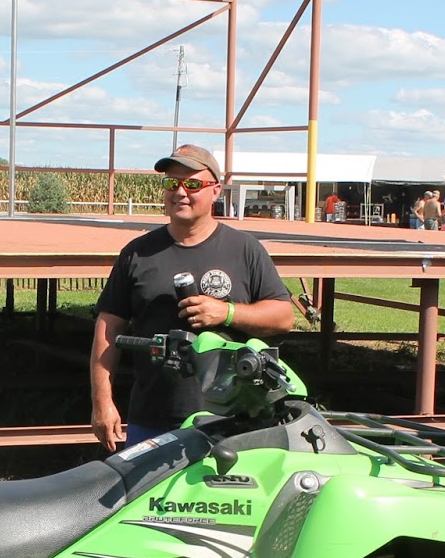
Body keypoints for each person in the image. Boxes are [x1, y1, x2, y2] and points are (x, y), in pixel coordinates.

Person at [91, 144, 295, 448]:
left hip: (234, 422)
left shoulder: (244, 250)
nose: (180, 192)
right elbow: (108, 330)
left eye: (193, 184)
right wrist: (102, 402)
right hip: (152, 422)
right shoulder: (137, 253)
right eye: (172, 183)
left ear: (216, 190)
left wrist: (226, 313)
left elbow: (284, 317)